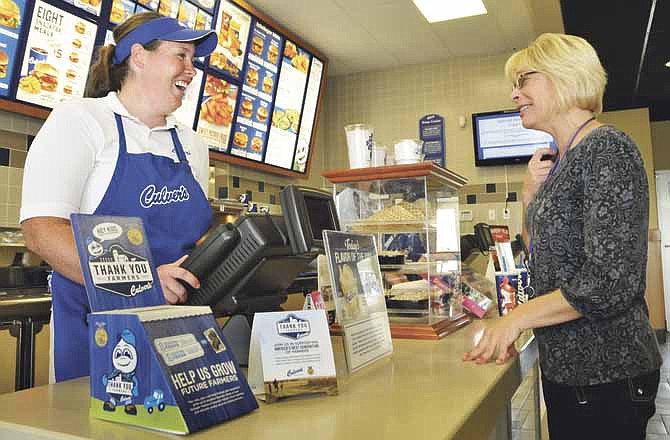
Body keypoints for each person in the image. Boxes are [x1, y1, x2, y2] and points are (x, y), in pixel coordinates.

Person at [463, 33, 662, 439]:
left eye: (523, 80)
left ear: (564, 76)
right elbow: (539, 253)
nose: (515, 94)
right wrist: (529, 196)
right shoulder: (564, 160)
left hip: (607, 374)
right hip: (571, 372)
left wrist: (516, 319)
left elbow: (609, 281)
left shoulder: (607, 148)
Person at [20, 12, 218, 383]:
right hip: (96, 334)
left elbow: (191, 239)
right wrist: (144, 283)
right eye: (181, 55)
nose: (191, 70)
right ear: (139, 56)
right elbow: (42, 231)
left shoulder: (192, 144)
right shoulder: (80, 120)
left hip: (177, 337)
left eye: (193, 59)